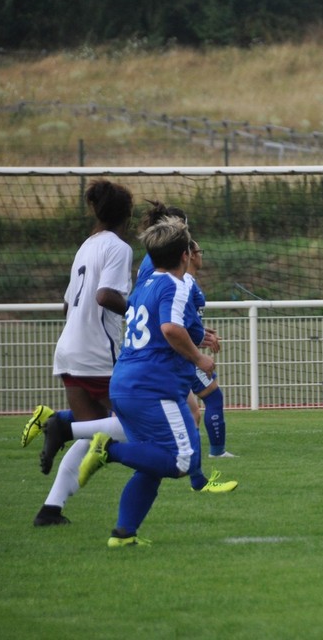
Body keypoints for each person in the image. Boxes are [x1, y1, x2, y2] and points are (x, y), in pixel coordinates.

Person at [78, 216, 237, 547]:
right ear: (184, 256)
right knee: (181, 461)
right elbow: (169, 329)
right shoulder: (177, 285)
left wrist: (196, 336)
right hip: (151, 387)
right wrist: (200, 357)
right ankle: (109, 450)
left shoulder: (146, 282)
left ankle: (123, 534)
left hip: (124, 381)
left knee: (151, 466)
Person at [22, 179, 134, 527]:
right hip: (97, 352)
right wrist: (137, 310)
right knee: (137, 427)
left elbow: (67, 304)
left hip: (69, 349)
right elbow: (105, 296)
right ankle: (60, 426)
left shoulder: (86, 246)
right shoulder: (118, 247)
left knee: (93, 435)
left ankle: (50, 509)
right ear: (126, 215)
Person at [186, 239, 234, 458]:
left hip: (182, 353)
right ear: (191, 255)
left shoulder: (186, 282)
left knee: (190, 410)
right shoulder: (185, 283)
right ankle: (215, 452)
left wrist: (203, 332)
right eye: (199, 251)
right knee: (213, 397)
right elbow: (178, 325)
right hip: (182, 356)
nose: (201, 255)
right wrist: (200, 339)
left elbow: (187, 321)